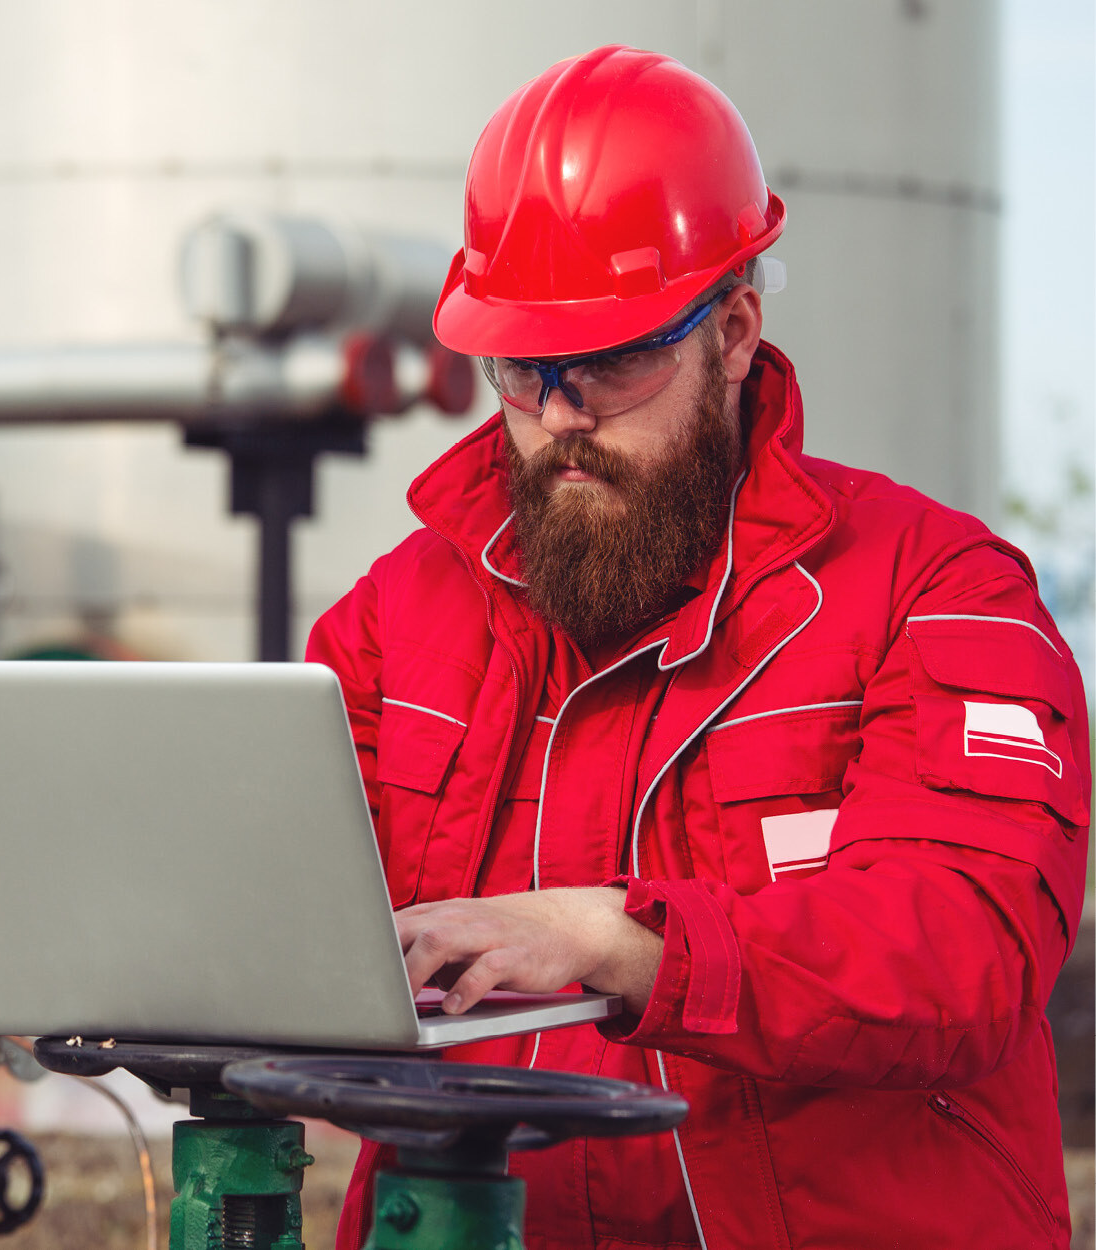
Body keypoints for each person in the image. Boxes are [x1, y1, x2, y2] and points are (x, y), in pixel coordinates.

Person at [306, 44, 1089, 1250]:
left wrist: (614, 940)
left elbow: (959, 951)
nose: (561, 412)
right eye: (520, 365)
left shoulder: (933, 593)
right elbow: (271, 918)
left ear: (731, 329)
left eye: (612, 359)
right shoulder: (392, 619)